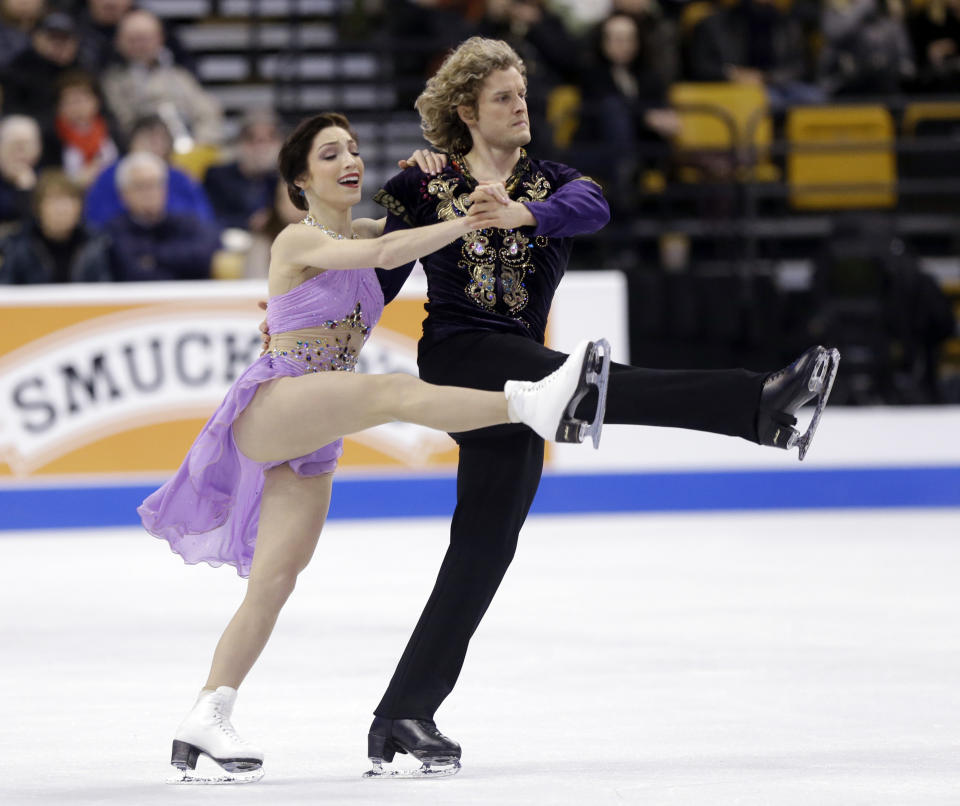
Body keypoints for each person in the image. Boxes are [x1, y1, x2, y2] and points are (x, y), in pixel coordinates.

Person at [322, 37, 838, 777]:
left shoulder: (554, 181)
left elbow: (590, 206)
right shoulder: (425, 185)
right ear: (467, 111)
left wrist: (518, 216)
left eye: (522, 94)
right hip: (467, 358)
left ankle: (401, 713)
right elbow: (381, 275)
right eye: (502, 97)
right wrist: (328, 346)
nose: (519, 106)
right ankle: (760, 405)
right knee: (598, 385)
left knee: (482, 548)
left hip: (529, 375)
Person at [138, 111, 610, 784]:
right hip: (281, 398)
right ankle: (533, 403)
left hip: (317, 424)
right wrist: (472, 221)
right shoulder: (296, 237)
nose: (349, 161)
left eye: (355, 150)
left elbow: (394, 235)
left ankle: (208, 713)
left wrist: (431, 177)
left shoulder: (364, 227)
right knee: (391, 391)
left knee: (275, 581)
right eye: (331, 154)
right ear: (300, 180)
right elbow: (385, 256)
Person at [99, 8, 224, 146]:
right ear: (119, 42)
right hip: (141, 149)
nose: (140, 45)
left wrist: (201, 143)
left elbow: (206, 111)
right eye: (133, 40)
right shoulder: (113, 81)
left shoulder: (179, 75)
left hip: (189, 146)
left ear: (160, 38)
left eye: (145, 38)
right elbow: (123, 122)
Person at [98, 151, 221, 281]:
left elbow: (205, 255)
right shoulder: (113, 232)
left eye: (155, 184)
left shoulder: (187, 223)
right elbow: (134, 273)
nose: (150, 193)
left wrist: (153, 257)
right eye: (140, 186)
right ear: (123, 194)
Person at [84, 114, 214, 228]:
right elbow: (96, 219)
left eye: (161, 140)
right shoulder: (109, 176)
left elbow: (204, 217)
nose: (154, 145)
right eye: (148, 138)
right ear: (131, 141)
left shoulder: (180, 177)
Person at [0, 168, 111, 283]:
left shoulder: (97, 244)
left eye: (69, 200)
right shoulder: (18, 246)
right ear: (38, 208)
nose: (62, 209)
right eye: (54, 200)